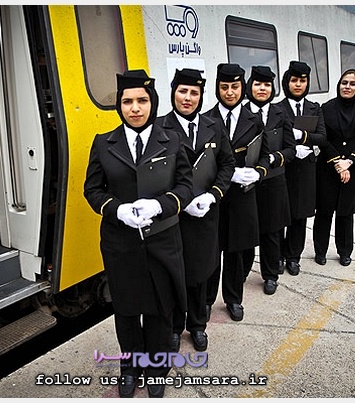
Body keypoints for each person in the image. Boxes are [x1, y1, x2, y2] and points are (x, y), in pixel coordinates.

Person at [83, 69, 193, 398]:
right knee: (127, 311)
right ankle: (130, 367)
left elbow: (186, 187)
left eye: (142, 100)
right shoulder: (104, 143)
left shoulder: (171, 140)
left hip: (162, 241)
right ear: (119, 105)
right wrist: (117, 210)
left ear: (152, 103)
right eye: (127, 101)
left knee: (161, 311)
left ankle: (156, 369)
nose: (134, 108)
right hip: (121, 244)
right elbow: (92, 190)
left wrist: (160, 205)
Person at [156, 68, 235, 352]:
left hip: (205, 215)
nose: (187, 98)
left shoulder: (214, 125)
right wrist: (180, 201)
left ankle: (198, 325)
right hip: (173, 218)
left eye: (194, 93)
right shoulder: (159, 128)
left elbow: (227, 165)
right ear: (173, 93)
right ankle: (175, 327)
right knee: (175, 274)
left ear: (201, 96)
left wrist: (213, 196)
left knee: (201, 274)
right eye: (182, 91)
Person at [203, 63, 264, 321]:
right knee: (211, 252)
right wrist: (228, 174)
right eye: (224, 87)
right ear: (217, 89)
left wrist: (258, 172)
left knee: (236, 253)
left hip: (241, 196)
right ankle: (206, 301)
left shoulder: (254, 119)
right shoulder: (206, 119)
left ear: (243, 88)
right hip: (214, 198)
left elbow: (265, 152)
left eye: (235, 87)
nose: (230, 92)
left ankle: (233, 298)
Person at [313, 68, 355, 266]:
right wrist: (337, 162)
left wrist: (348, 162)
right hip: (328, 167)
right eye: (344, 83)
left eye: (352, 84)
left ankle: (345, 252)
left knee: (346, 213)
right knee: (324, 212)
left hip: (353, 168)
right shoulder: (326, 109)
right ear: (339, 85)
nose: (347, 87)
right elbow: (323, 139)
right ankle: (320, 251)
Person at [245, 65, 296, 295]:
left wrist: (275, 157)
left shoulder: (280, 113)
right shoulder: (242, 112)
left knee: (272, 232)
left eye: (267, 85)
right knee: (246, 232)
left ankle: (270, 275)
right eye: (258, 84)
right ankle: (242, 272)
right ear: (250, 86)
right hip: (247, 183)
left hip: (274, 181)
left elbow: (291, 149)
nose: (262, 89)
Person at [275, 61, 328, 276]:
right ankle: (277, 256)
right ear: (287, 82)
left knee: (300, 216)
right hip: (283, 169)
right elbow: (272, 137)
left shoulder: (314, 108)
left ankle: (293, 257)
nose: (298, 85)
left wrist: (304, 137)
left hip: (306, 169)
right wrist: (291, 148)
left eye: (302, 81)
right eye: (294, 80)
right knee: (279, 215)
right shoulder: (277, 109)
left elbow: (322, 138)